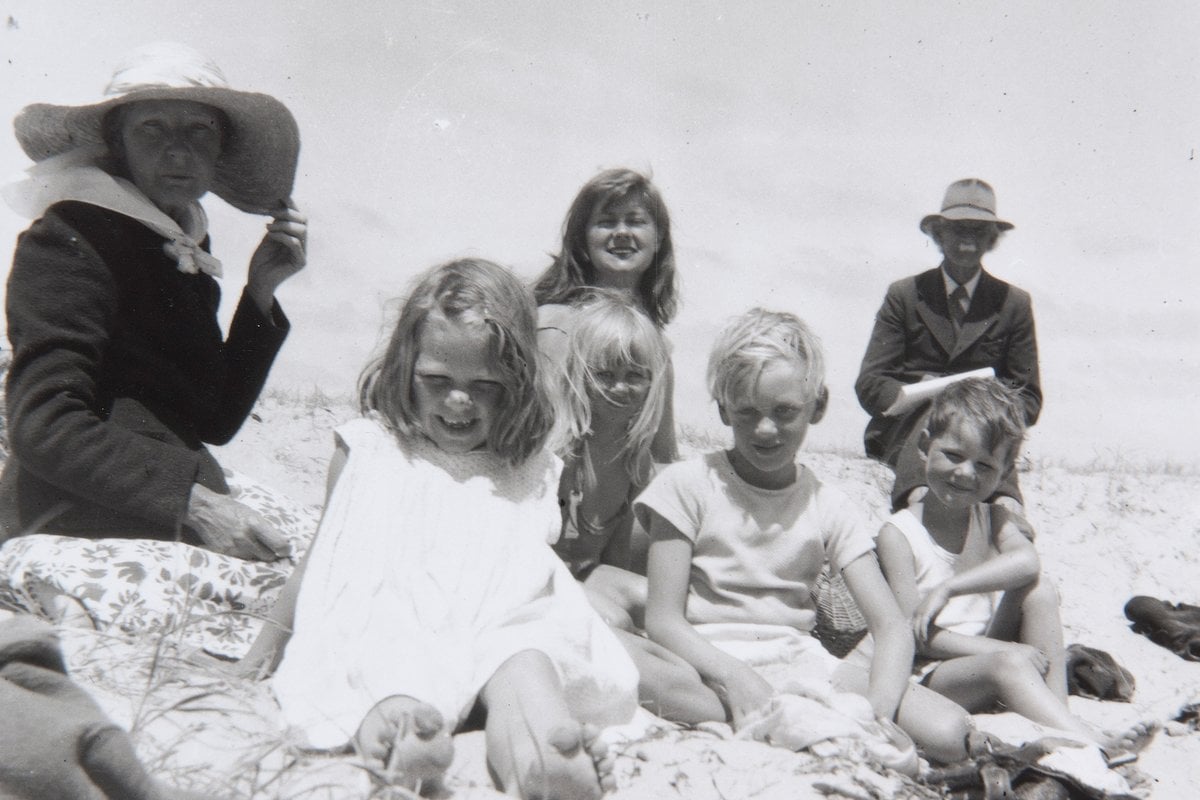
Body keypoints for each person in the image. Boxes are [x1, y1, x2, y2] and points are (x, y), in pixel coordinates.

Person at [247, 259, 638, 798]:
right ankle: (403, 732)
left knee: (529, 660)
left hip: (500, 621)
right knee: (385, 650)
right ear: (405, 368)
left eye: (485, 385)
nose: (459, 400)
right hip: (399, 608)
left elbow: (539, 571)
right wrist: (259, 655)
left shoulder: (528, 467)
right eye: (437, 380)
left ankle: (543, 752)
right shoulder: (371, 449)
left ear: (518, 383)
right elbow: (321, 561)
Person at [0, 43, 312, 657]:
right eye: (153, 129)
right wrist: (197, 506)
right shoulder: (69, 238)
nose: (179, 150)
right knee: (286, 606)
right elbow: (43, 424)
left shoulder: (176, 245)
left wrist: (260, 293)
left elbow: (210, 423)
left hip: (165, 501)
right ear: (116, 143)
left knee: (327, 558)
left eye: (199, 130)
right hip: (77, 514)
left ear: (220, 151)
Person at [638, 308, 977, 764]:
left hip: (798, 661)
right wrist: (733, 674)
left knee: (950, 731)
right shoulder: (687, 484)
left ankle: (790, 716)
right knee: (638, 670)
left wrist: (874, 713)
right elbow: (663, 620)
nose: (765, 429)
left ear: (817, 406)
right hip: (704, 661)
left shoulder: (828, 504)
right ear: (723, 408)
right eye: (747, 412)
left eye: (784, 412)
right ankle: (782, 716)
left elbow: (892, 626)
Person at [863, 377, 1155, 761]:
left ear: (1003, 475)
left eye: (984, 465)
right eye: (953, 455)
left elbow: (1027, 561)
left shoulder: (992, 516)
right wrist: (1003, 648)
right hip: (934, 675)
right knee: (1011, 659)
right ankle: (1093, 741)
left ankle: (1059, 717)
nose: (966, 473)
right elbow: (914, 637)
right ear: (923, 447)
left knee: (1039, 590)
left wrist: (950, 588)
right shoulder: (899, 534)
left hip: (989, 653)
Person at [548, 289, 724, 723]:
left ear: (653, 382)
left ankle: (712, 664)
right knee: (612, 618)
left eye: (635, 375)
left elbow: (614, 562)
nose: (620, 387)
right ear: (576, 372)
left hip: (585, 575)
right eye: (603, 374)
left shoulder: (636, 464)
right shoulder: (556, 453)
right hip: (543, 580)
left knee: (665, 601)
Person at [855, 179, 1041, 514]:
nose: (967, 239)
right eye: (957, 229)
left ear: (992, 239)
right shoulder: (906, 295)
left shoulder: (1013, 304)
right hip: (911, 429)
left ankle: (1008, 517)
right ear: (938, 235)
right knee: (937, 414)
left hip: (984, 436)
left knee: (1004, 506)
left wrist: (985, 406)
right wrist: (915, 393)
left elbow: (1029, 397)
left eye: (978, 230)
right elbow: (870, 383)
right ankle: (915, 510)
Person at [534, 168, 680, 463]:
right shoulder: (550, 324)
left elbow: (662, 456)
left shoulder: (657, 346)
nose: (622, 232)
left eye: (636, 221)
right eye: (606, 222)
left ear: (658, 239)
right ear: (583, 240)